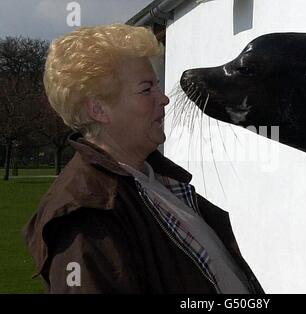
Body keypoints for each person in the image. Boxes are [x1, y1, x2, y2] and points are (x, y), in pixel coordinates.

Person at [23, 23, 264, 294]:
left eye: (157, 85)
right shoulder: (87, 217)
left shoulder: (156, 181)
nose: (164, 99)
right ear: (98, 109)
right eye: (146, 89)